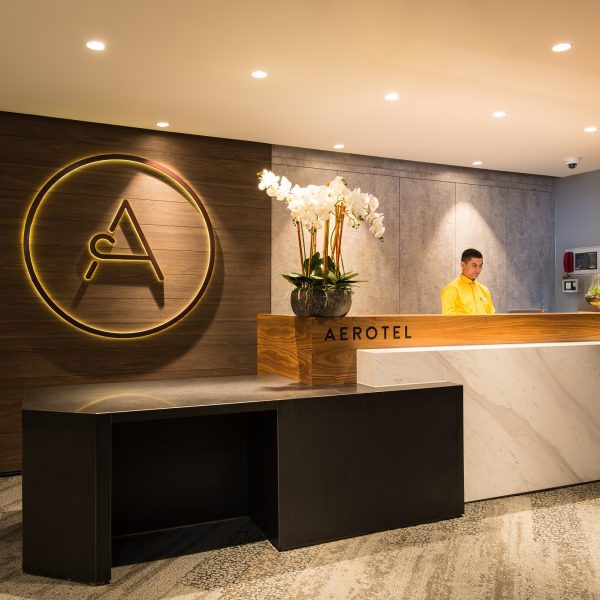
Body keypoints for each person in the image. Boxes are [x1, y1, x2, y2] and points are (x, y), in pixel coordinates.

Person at [441, 248, 495, 315]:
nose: (478, 270)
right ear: (463, 265)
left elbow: (492, 316)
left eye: (480, 266)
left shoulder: (484, 290)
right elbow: (448, 318)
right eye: (474, 265)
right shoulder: (452, 289)